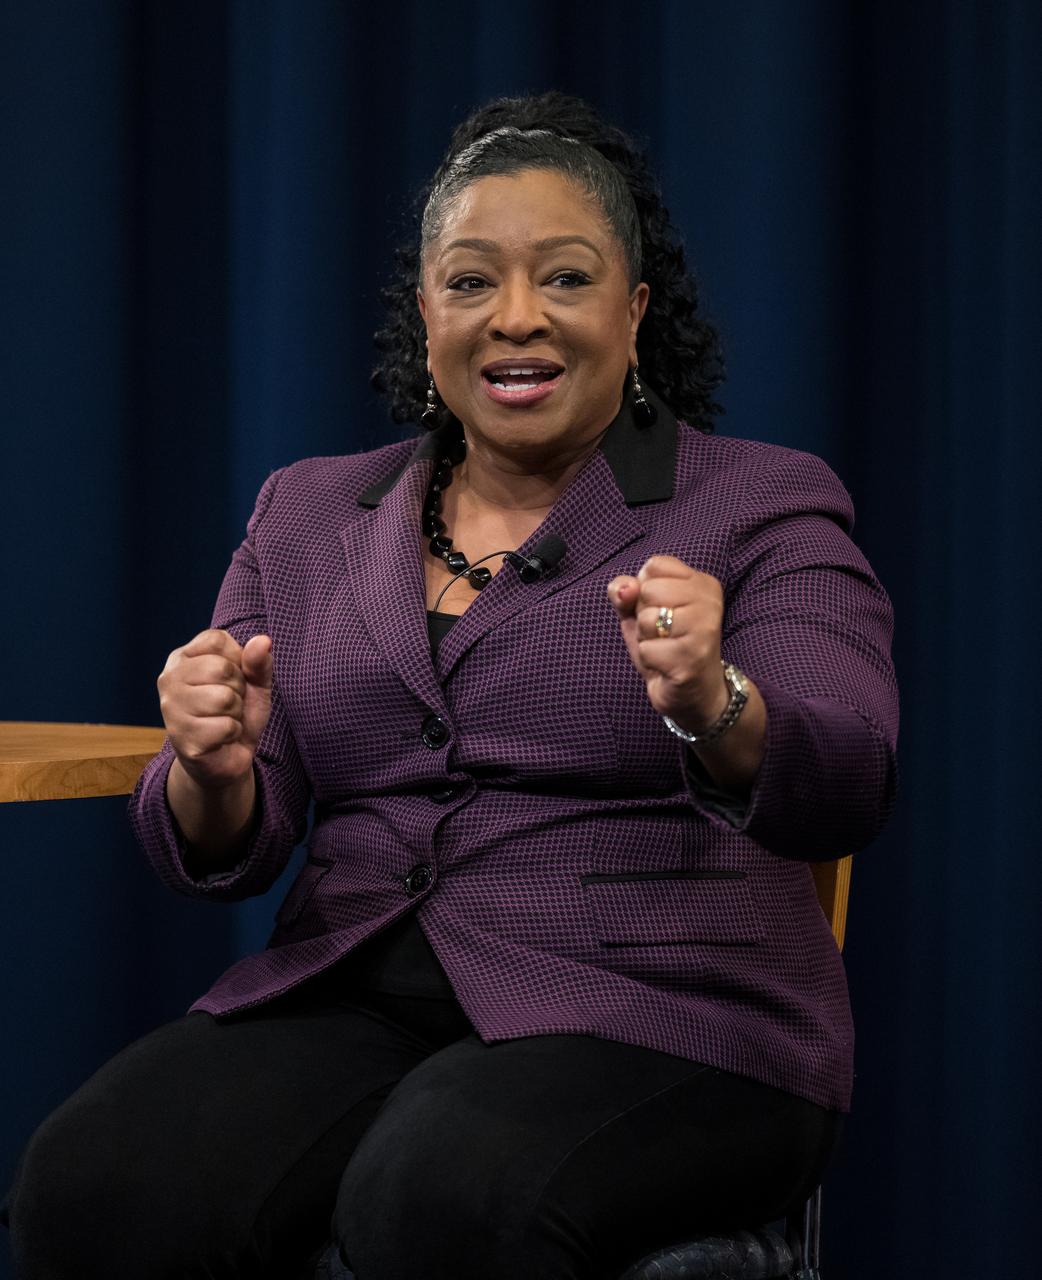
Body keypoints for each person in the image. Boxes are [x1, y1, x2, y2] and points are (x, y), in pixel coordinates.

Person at [3, 92, 898, 1280]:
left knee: (438, 1194)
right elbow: (234, 841)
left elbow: (848, 769)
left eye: (565, 279)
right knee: (89, 1185)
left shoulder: (758, 500)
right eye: (471, 281)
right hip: (360, 987)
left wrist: (712, 702)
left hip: (667, 1005)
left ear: (633, 312)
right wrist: (211, 767)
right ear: (424, 312)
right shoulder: (309, 512)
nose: (514, 317)